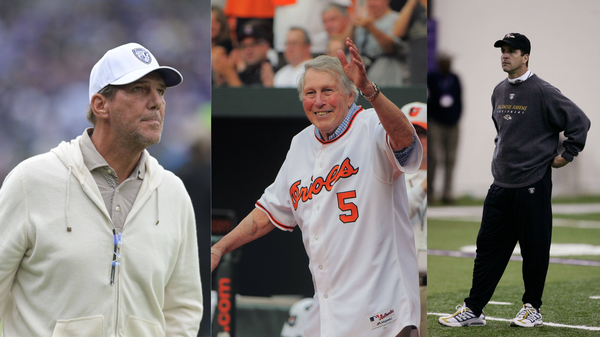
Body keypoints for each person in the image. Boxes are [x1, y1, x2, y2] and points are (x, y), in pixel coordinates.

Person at [211, 38, 422, 336]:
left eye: (327, 91)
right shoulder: (300, 143)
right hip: (329, 308)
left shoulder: (372, 125)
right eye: (310, 93)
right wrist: (220, 248)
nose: (318, 100)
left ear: (350, 96)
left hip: (383, 308)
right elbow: (267, 212)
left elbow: (406, 143)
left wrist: (371, 91)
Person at [0, 43, 203, 336]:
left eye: (160, 91)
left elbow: (183, 309)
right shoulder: (30, 181)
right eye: (139, 89)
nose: (157, 102)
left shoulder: (174, 193)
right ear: (100, 105)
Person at [439, 33, 590, 328]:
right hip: (500, 186)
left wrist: (567, 153)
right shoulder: (498, 90)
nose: (505, 56)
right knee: (487, 250)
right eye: (503, 51)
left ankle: (532, 307)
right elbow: (503, 131)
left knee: (534, 249)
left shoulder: (543, 91)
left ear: (526, 56)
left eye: (512, 51)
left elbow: (579, 121)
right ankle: (474, 310)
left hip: (532, 183)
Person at [401, 102, 427, 337]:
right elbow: (402, 209)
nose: (416, 140)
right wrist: (424, 186)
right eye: (410, 133)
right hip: (404, 284)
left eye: (421, 134)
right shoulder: (391, 175)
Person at [427, 54, 462, 204]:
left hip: (452, 124)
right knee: (434, 158)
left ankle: (447, 193)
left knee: (450, 159)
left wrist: (456, 118)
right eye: (444, 62)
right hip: (436, 122)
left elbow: (460, 99)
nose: (446, 65)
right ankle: (430, 193)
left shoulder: (455, 79)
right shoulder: (432, 77)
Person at [352, 0, 407, 86]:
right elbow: (345, 45)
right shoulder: (363, 21)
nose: (371, 3)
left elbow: (391, 48)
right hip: (365, 81)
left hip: (388, 80)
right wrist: (353, 19)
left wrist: (371, 27)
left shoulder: (397, 19)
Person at [212, 20, 275, 87]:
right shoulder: (242, 74)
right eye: (243, 46)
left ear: (266, 45)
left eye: (253, 44)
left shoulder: (273, 72)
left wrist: (230, 76)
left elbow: (251, 97)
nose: (248, 50)